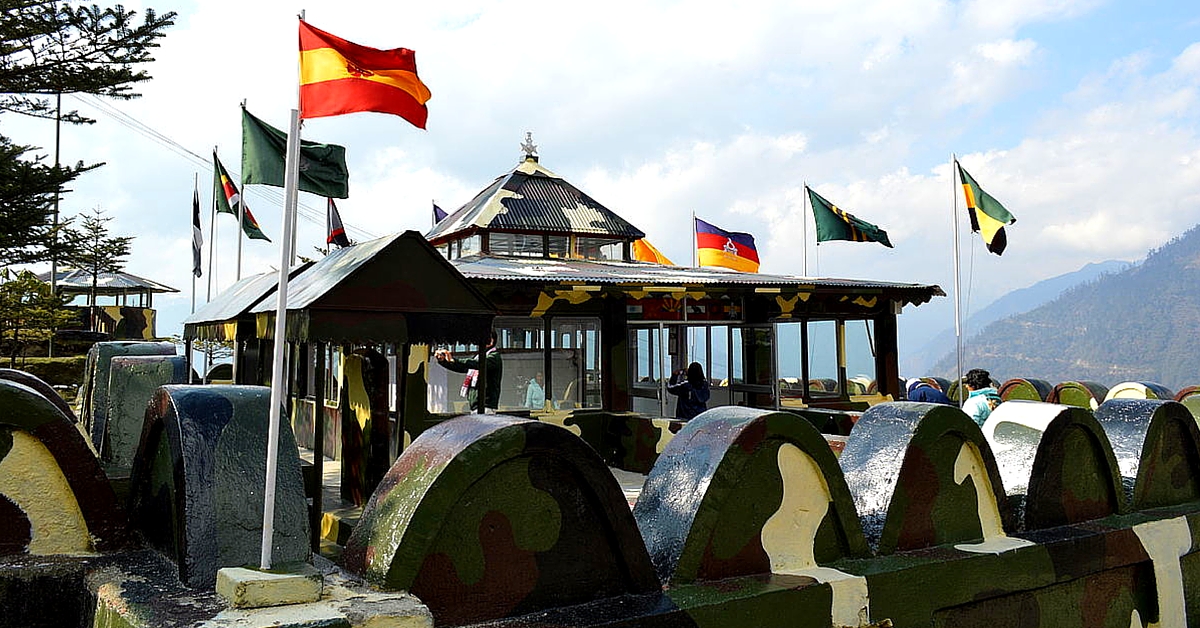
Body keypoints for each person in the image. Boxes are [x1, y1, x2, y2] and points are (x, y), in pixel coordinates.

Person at [435, 331, 503, 413]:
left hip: (486, 405)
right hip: (476, 406)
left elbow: (478, 364)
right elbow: (463, 367)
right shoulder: (478, 357)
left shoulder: (494, 357)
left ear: (491, 341)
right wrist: (444, 361)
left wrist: (454, 360)